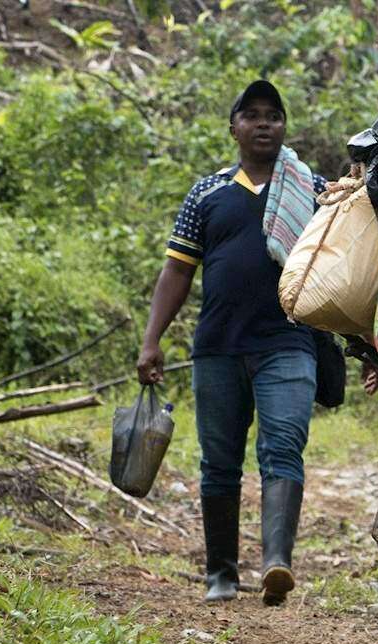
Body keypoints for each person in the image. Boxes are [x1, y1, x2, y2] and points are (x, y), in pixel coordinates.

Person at [136, 80, 328, 606]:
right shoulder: (208, 193)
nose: (264, 123)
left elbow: (345, 268)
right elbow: (177, 271)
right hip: (217, 349)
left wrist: (367, 347)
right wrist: (151, 340)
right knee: (219, 460)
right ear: (234, 128)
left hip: (289, 344)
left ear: (285, 126)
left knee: (283, 446)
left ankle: (275, 563)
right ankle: (220, 573)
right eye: (253, 115)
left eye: (274, 115)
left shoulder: (314, 190)